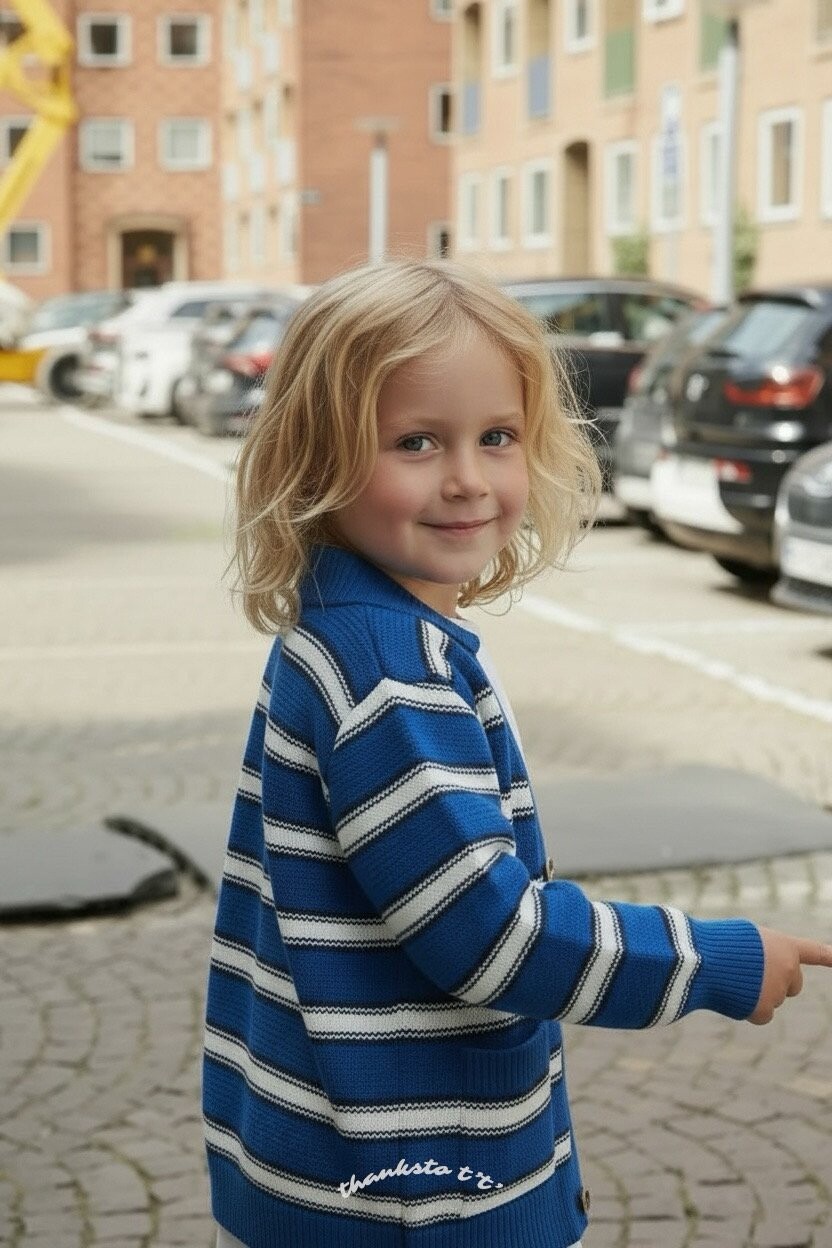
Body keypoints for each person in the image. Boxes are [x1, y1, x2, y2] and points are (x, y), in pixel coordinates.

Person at [202, 258, 832, 1248]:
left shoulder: (341, 632)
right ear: (315, 458)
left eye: (495, 437)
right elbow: (490, 935)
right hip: (416, 1195)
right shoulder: (387, 670)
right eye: (415, 442)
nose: (466, 478)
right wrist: (714, 959)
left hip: (323, 1165)